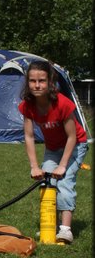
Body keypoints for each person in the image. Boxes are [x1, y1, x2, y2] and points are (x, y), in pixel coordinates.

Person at [18, 60, 88, 244]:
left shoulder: (62, 104)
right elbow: (29, 136)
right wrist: (34, 166)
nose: (37, 85)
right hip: (52, 148)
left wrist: (63, 166)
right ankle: (50, 226)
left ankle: (65, 230)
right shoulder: (28, 105)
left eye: (41, 80)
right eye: (32, 81)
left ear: (50, 82)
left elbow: (72, 137)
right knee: (46, 182)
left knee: (64, 182)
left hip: (76, 145)